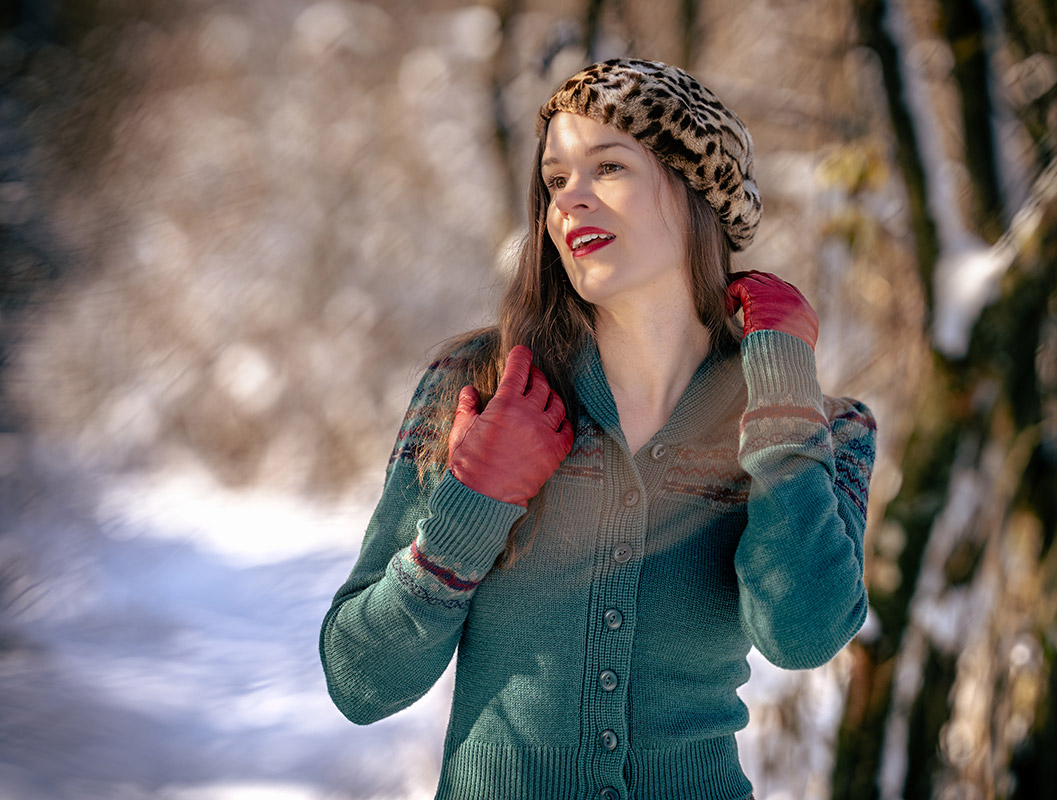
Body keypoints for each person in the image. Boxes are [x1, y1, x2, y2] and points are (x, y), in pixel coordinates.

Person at [319, 58, 876, 800]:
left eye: (607, 167)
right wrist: (469, 508)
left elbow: (803, 632)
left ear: (696, 194)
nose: (568, 203)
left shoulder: (820, 426)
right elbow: (360, 681)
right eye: (555, 180)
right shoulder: (478, 387)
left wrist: (780, 392)